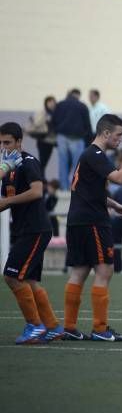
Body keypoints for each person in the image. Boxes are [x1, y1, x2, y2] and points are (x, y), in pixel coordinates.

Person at [62, 114, 122, 342]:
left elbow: (87, 190)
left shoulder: (88, 155)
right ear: (106, 133)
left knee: (79, 272)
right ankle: (100, 329)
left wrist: (113, 204)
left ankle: (69, 327)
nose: (121, 139)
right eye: (119, 134)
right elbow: (120, 178)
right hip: (92, 221)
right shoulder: (96, 154)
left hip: (78, 220)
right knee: (104, 271)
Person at [0, 122, 63, 344]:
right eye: (0, 143)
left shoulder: (28, 162)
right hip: (24, 230)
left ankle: (35, 326)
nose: (3, 147)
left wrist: (6, 201)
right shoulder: (6, 168)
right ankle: (53, 327)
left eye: (7, 142)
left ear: (19, 142)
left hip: (35, 229)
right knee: (30, 280)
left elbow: (36, 191)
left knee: (11, 276)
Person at [53, 88, 91, 190]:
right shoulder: (82, 106)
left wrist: (57, 133)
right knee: (77, 165)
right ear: (77, 95)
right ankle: (76, 187)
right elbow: (87, 124)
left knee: (63, 163)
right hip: (77, 138)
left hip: (62, 136)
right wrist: (89, 141)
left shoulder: (60, 104)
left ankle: (64, 188)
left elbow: (53, 120)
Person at [25, 96, 57, 172]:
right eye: (50, 102)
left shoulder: (55, 113)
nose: (52, 104)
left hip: (51, 140)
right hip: (42, 139)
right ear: (46, 103)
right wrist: (45, 117)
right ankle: (40, 177)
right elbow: (37, 123)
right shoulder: (42, 112)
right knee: (42, 160)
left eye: (53, 102)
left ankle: (42, 177)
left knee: (45, 161)